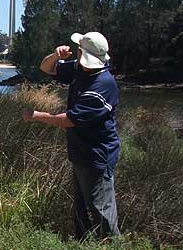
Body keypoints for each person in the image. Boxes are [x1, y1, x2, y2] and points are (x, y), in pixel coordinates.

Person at [20, 32, 121, 240]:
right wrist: (55, 56)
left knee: (101, 211)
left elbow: (70, 120)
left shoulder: (103, 85)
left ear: (84, 53)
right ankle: (81, 243)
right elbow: (46, 68)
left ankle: (113, 244)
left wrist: (37, 116)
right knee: (81, 207)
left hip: (96, 156)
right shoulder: (80, 68)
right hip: (80, 152)